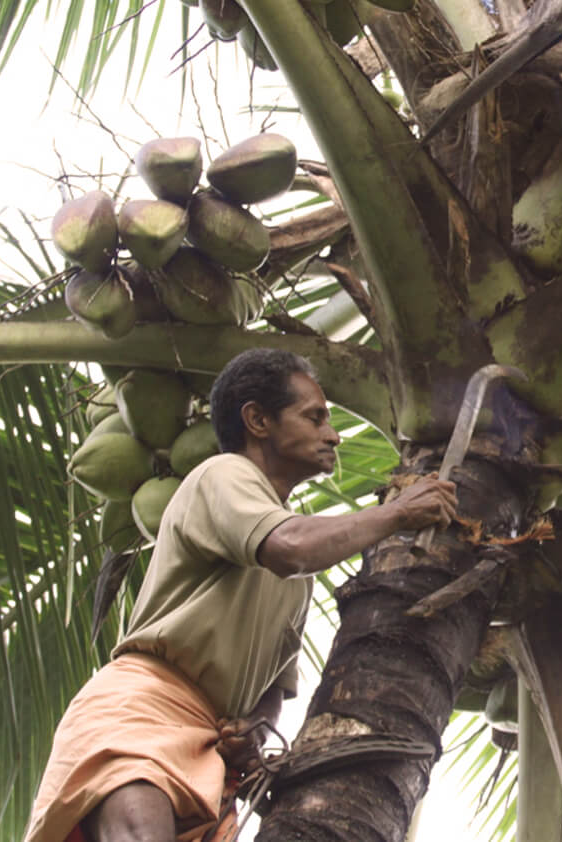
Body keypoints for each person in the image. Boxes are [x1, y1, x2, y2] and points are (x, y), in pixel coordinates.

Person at [26, 348, 459, 842]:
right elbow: (289, 548)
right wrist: (397, 514)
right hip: (148, 709)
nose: (333, 435)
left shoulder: (296, 573)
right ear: (257, 419)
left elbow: (274, 688)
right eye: (314, 417)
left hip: (210, 752)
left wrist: (253, 729)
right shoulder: (223, 476)